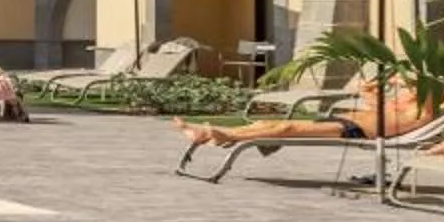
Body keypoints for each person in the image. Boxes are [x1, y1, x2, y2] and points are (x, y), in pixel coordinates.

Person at [177, 74, 425, 149]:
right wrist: (369, 89)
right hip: (341, 120)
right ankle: (209, 133)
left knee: (286, 128)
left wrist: (405, 81)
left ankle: (227, 136)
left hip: (353, 130)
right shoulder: (403, 103)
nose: (404, 87)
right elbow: (374, 104)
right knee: (265, 125)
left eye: (410, 85)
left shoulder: (421, 112)